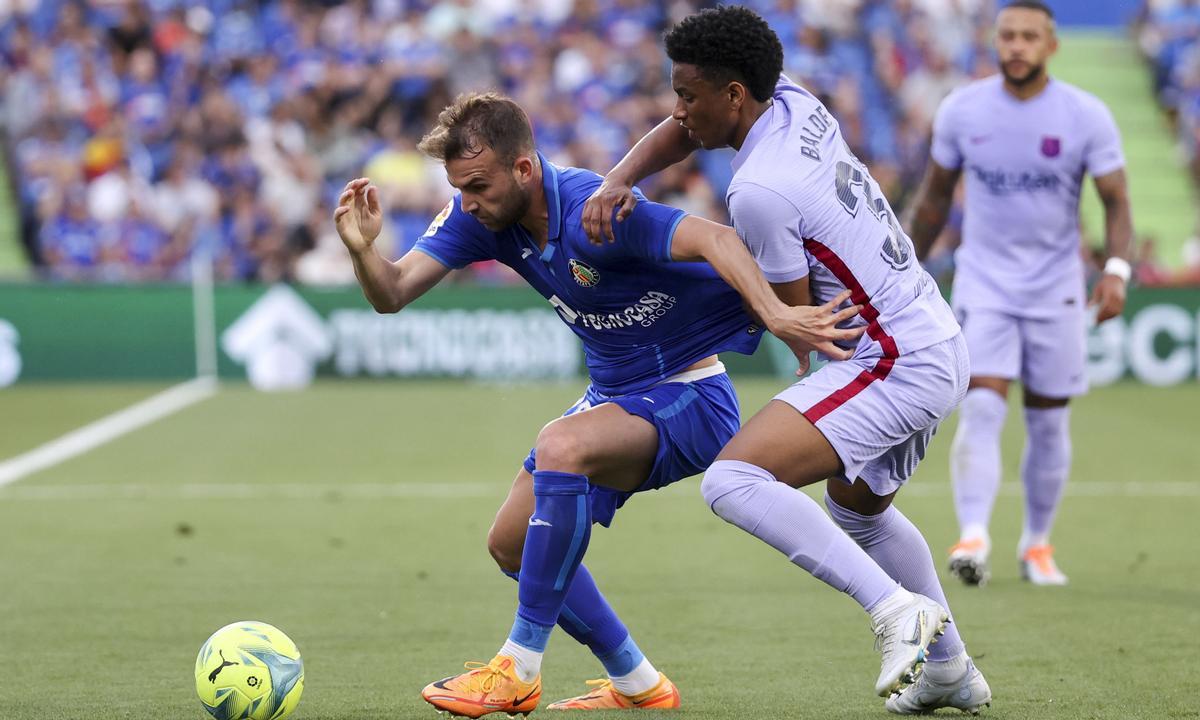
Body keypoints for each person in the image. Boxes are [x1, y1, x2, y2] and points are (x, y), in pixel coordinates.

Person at [333, 91, 862, 718]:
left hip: (691, 395)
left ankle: (518, 668)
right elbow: (391, 293)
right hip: (616, 395)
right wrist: (364, 251)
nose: (465, 201)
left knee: (561, 444)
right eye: (458, 188)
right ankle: (638, 683)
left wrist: (776, 313)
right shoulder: (481, 218)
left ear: (524, 169)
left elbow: (717, 239)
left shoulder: (595, 209)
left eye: (475, 185)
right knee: (510, 544)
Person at [584, 6, 991, 714]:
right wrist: (618, 178)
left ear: (733, 95)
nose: (678, 111)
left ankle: (897, 612)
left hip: (890, 356)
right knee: (858, 512)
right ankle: (949, 670)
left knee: (734, 480)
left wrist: (672, 298)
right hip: (931, 333)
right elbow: (683, 135)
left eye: (688, 95)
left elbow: (801, 326)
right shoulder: (794, 97)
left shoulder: (759, 193)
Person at [905, 0, 1132, 588]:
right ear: (994, 41)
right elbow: (933, 200)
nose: (1017, 46)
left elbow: (1116, 201)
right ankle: (973, 535)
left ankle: (1036, 545)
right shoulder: (962, 110)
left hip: (1058, 287)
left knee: (1049, 420)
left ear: (1050, 45)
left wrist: (1116, 271)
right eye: (1008, 36)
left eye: (1030, 36)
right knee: (981, 404)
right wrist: (900, 271)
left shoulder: (1086, 115)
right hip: (985, 281)